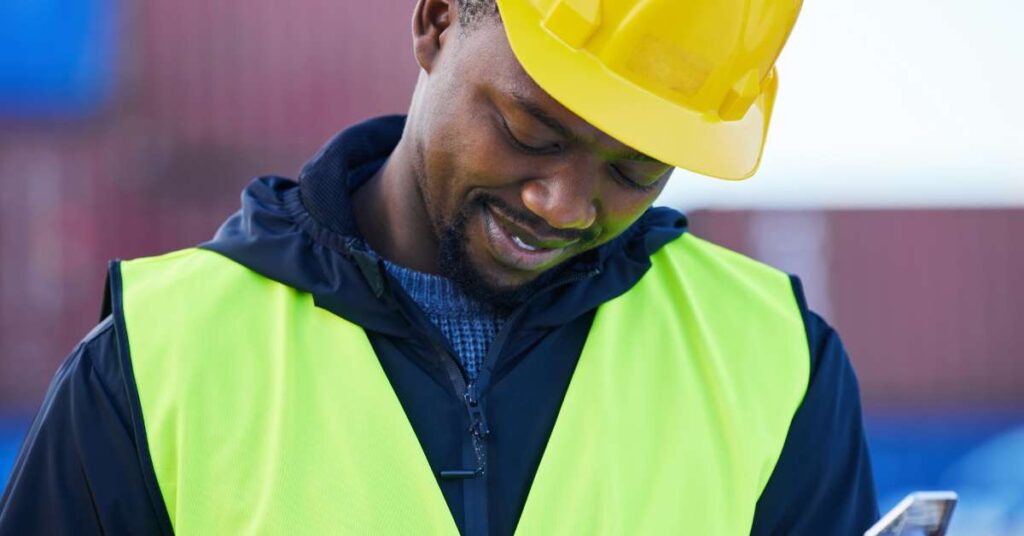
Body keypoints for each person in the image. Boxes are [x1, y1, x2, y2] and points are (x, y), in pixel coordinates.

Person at [0, 0, 879, 534]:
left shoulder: (776, 367)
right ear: (434, 23)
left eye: (634, 171)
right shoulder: (158, 365)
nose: (564, 206)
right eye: (531, 133)